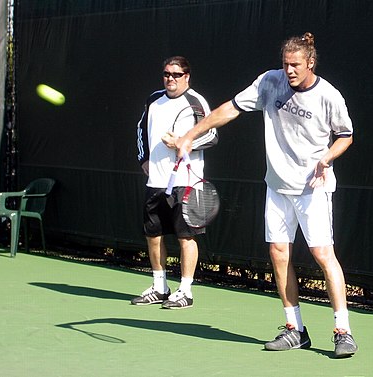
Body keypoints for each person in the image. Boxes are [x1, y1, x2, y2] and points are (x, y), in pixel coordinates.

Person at [175, 32, 357, 357]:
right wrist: (191, 134)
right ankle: (294, 329)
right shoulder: (269, 83)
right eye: (285, 64)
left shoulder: (328, 96)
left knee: (322, 255)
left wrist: (326, 158)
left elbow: (345, 135)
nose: (289, 71)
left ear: (310, 63)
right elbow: (230, 109)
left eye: (296, 65)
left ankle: (342, 330)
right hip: (277, 186)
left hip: (312, 188)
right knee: (278, 253)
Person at [132, 56, 218, 309]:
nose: (171, 79)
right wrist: (143, 160)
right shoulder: (153, 100)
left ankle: (185, 291)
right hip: (156, 181)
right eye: (167, 74)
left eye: (177, 75)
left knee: (186, 237)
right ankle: (160, 286)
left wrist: (183, 142)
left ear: (187, 77)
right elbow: (140, 130)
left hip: (187, 182)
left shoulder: (196, 102)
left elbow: (212, 135)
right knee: (153, 235)